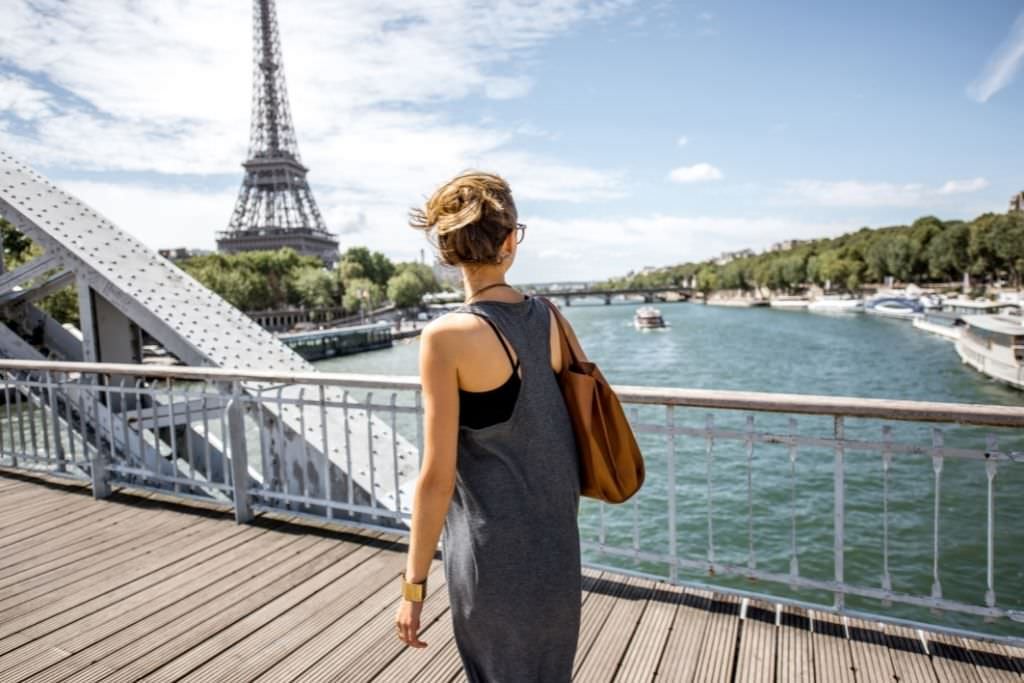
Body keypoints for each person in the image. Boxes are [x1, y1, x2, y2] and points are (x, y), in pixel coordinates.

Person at [396, 171, 585, 681]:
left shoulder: (446, 337)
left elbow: (436, 479)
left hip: (491, 563)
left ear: (447, 252)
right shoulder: (550, 317)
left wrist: (413, 588)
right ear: (509, 243)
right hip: (558, 553)